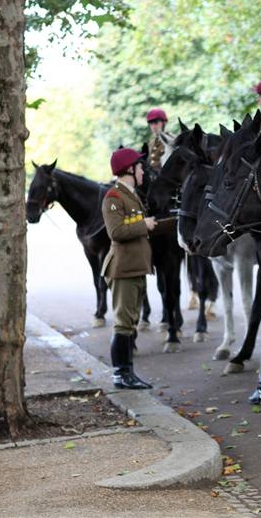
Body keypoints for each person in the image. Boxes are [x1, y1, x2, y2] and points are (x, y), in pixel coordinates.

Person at [101, 148, 157, 389]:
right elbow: (116, 232)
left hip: (135, 267)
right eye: (140, 167)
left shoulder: (131, 194)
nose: (143, 170)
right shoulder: (114, 197)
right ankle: (121, 374)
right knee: (123, 323)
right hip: (123, 269)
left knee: (130, 322)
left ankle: (128, 373)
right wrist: (143, 224)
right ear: (129, 170)